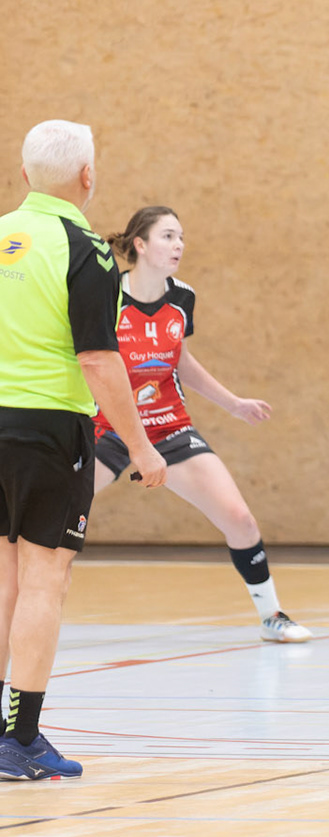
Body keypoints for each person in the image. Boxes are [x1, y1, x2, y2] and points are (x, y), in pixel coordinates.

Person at [0, 121, 165, 780]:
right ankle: (21, 738)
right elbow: (98, 359)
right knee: (45, 577)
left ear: (23, 177)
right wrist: (142, 447)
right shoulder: (86, 249)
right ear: (87, 178)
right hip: (47, 429)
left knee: (5, 576)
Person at [90, 207, 309, 644]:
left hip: (170, 428)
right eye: (168, 237)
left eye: (182, 238)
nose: (179, 246)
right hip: (107, 429)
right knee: (47, 522)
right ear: (140, 245)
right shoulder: (104, 294)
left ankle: (272, 616)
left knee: (241, 520)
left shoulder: (182, 297)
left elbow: (181, 361)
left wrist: (233, 404)